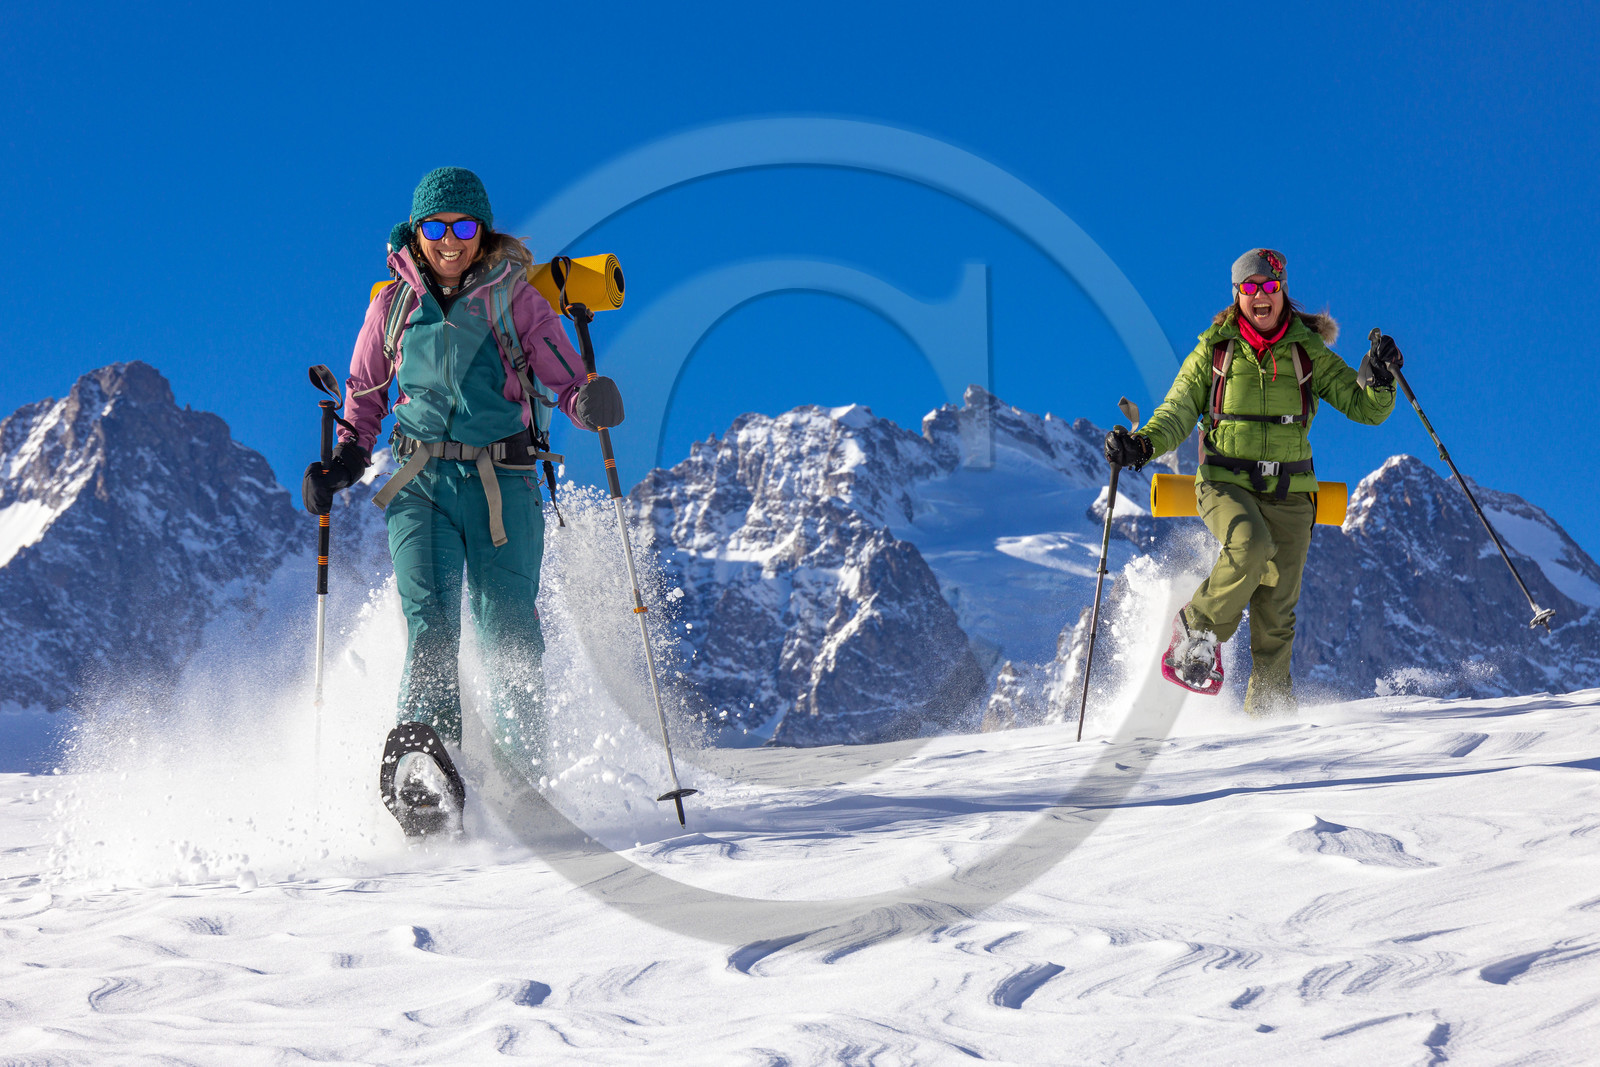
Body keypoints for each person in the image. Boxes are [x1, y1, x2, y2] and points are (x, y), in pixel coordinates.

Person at [303, 166, 623, 831]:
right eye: (436, 228)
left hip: (504, 484)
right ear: (416, 234)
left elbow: (564, 380)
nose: (450, 241)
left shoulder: (518, 300)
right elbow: (365, 398)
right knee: (430, 622)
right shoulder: (390, 307)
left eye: (464, 227)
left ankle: (519, 782)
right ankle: (427, 763)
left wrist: (588, 403)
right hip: (419, 484)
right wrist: (343, 464)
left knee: (508, 628)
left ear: (484, 232)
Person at [1104, 248, 1402, 716]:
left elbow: (1365, 408)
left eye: (1268, 286)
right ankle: (1196, 631)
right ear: (1237, 294)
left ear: (1282, 289)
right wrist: (1141, 445)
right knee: (1249, 544)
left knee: (1277, 616)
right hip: (1225, 482)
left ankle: (1268, 719)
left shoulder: (1309, 352)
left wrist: (1382, 378)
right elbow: (1178, 409)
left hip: (1292, 492)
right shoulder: (1214, 350)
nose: (1260, 295)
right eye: (1250, 287)